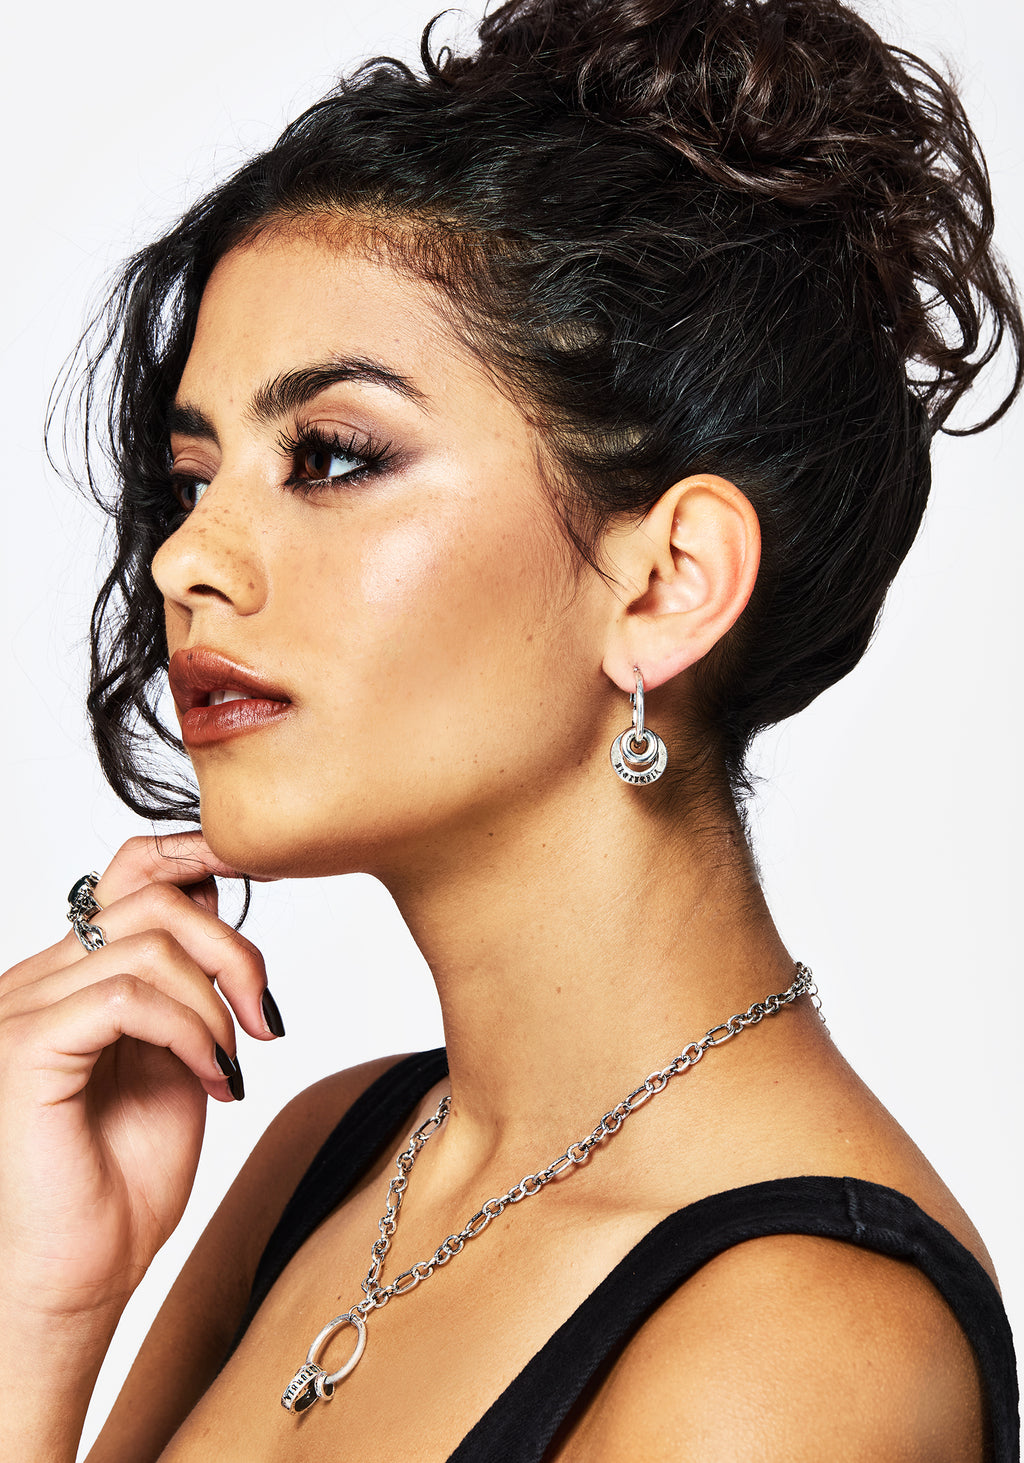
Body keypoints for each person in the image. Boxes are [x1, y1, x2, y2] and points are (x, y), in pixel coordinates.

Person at [1, 0, 1020, 1457]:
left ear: (666, 583)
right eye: (194, 478)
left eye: (330, 457)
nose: (184, 561)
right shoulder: (335, 1158)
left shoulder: (801, 1349)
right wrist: (37, 1310)